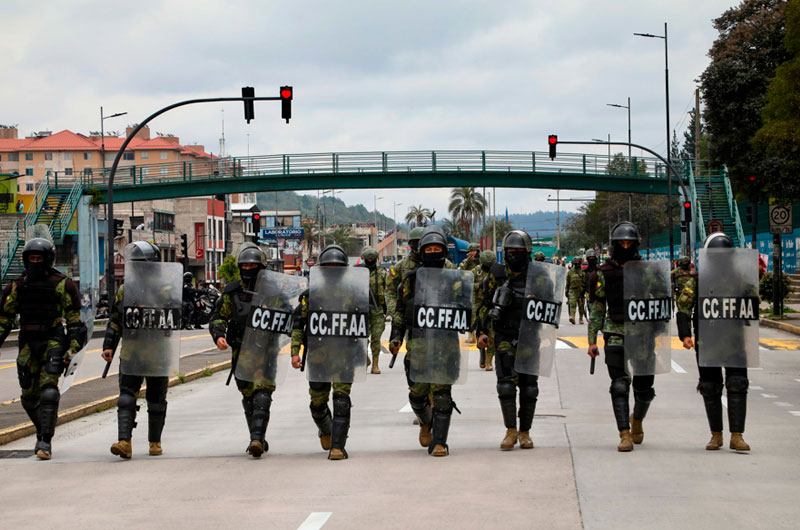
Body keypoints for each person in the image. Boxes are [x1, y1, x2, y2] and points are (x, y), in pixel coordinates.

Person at [0, 236, 83, 460]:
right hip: (27, 342)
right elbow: (5, 319)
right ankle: (41, 429)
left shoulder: (62, 284)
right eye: (32, 258)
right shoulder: (16, 286)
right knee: (28, 396)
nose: (35, 262)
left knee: (48, 391)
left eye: (39, 258)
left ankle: (45, 441)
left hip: (52, 340)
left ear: (48, 259)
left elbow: (74, 321)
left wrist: (72, 349)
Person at [390, 227, 465, 457]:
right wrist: (396, 337)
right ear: (422, 252)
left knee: (442, 395)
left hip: (445, 343)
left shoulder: (454, 276)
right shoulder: (412, 279)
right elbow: (401, 310)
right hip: (419, 343)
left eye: (437, 249)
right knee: (417, 394)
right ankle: (426, 421)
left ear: (444, 251)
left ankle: (440, 442)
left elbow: (466, 305)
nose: (433, 252)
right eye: (429, 249)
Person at [677, 232, 753, 451]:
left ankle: (737, 436)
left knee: (738, 383)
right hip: (708, 339)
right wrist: (685, 335)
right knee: (710, 386)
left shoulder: (740, 279)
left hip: (734, 339)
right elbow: (683, 307)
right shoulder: (697, 280)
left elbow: (752, 303)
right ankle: (716, 435)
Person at [103, 241, 178, 459]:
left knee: (156, 399)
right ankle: (124, 442)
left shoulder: (166, 289)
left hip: (157, 351)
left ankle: (155, 442)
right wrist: (108, 346)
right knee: (126, 395)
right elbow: (115, 320)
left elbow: (175, 319)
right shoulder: (125, 289)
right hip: (132, 350)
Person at [587, 222, 656, 452]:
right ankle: (624, 433)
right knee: (619, 385)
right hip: (615, 331)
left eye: (629, 243)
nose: (625, 247)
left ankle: (637, 419)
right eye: (621, 243)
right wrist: (592, 340)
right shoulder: (603, 273)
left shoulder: (647, 271)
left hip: (642, 334)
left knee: (645, 389)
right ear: (614, 245)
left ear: (636, 245)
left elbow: (661, 300)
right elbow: (597, 307)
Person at [291, 244, 364, 460]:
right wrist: (295, 352)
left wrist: (363, 352)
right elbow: (298, 326)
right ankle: (326, 430)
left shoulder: (354, 295)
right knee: (318, 403)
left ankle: (338, 446)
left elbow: (361, 327)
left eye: (337, 267)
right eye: (328, 267)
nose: (332, 271)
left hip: (344, 356)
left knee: (341, 400)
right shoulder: (310, 296)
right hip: (319, 357)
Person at [208, 243, 275, 457]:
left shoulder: (272, 292)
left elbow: (289, 317)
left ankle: (257, 438)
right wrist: (218, 335)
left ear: (261, 267)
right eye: (244, 266)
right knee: (248, 395)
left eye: (252, 266)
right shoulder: (232, 292)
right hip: (241, 351)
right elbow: (218, 316)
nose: (248, 269)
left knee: (262, 393)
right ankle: (256, 436)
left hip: (265, 352)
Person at [477, 230, 541, 450]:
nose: (514, 254)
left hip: (530, 336)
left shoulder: (539, 275)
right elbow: (484, 304)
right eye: (510, 250)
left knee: (529, 387)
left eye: (518, 250)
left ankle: (525, 432)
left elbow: (550, 305)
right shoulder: (497, 275)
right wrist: (482, 331)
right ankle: (511, 431)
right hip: (504, 334)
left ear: (527, 252)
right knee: (505, 385)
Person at [385, 227, 424, 319]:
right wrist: (395, 312)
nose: (418, 245)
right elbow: (390, 291)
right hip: (407, 313)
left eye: (421, 241)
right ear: (410, 244)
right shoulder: (401, 266)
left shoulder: (442, 263)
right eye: (415, 242)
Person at [361, 247, 387, 374]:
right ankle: (364, 359)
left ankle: (375, 365)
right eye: (368, 259)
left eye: (372, 259)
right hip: (362, 309)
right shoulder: (359, 273)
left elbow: (389, 291)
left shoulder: (382, 274)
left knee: (376, 338)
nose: (370, 261)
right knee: (362, 337)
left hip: (377, 310)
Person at [474, 250, 496, 369]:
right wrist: (479, 286)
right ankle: (482, 355)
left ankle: (488, 361)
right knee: (480, 332)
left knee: (492, 334)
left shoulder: (498, 272)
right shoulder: (476, 271)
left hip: (493, 305)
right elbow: (467, 283)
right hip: (479, 305)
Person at [459, 243, 481, 344]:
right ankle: (471, 335)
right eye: (470, 251)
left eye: (474, 251)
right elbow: (461, 272)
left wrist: (477, 262)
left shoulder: (481, 262)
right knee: (470, 314)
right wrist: (468, 261)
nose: (472, 253)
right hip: (469, 291)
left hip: (480, 291)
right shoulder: (465, 262)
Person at [566, 257, 586, 325]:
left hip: (581, 291)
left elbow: (585, 282)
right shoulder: (570, 272)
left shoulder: (583, 272)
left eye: (577, 263)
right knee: (572, 304)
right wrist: (566, 291)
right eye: (575, 263)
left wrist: (584, 291)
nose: (576, 264)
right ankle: (572, 317)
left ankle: (581, 318)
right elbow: (568, 282)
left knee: (581, 306)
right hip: (573, 291)